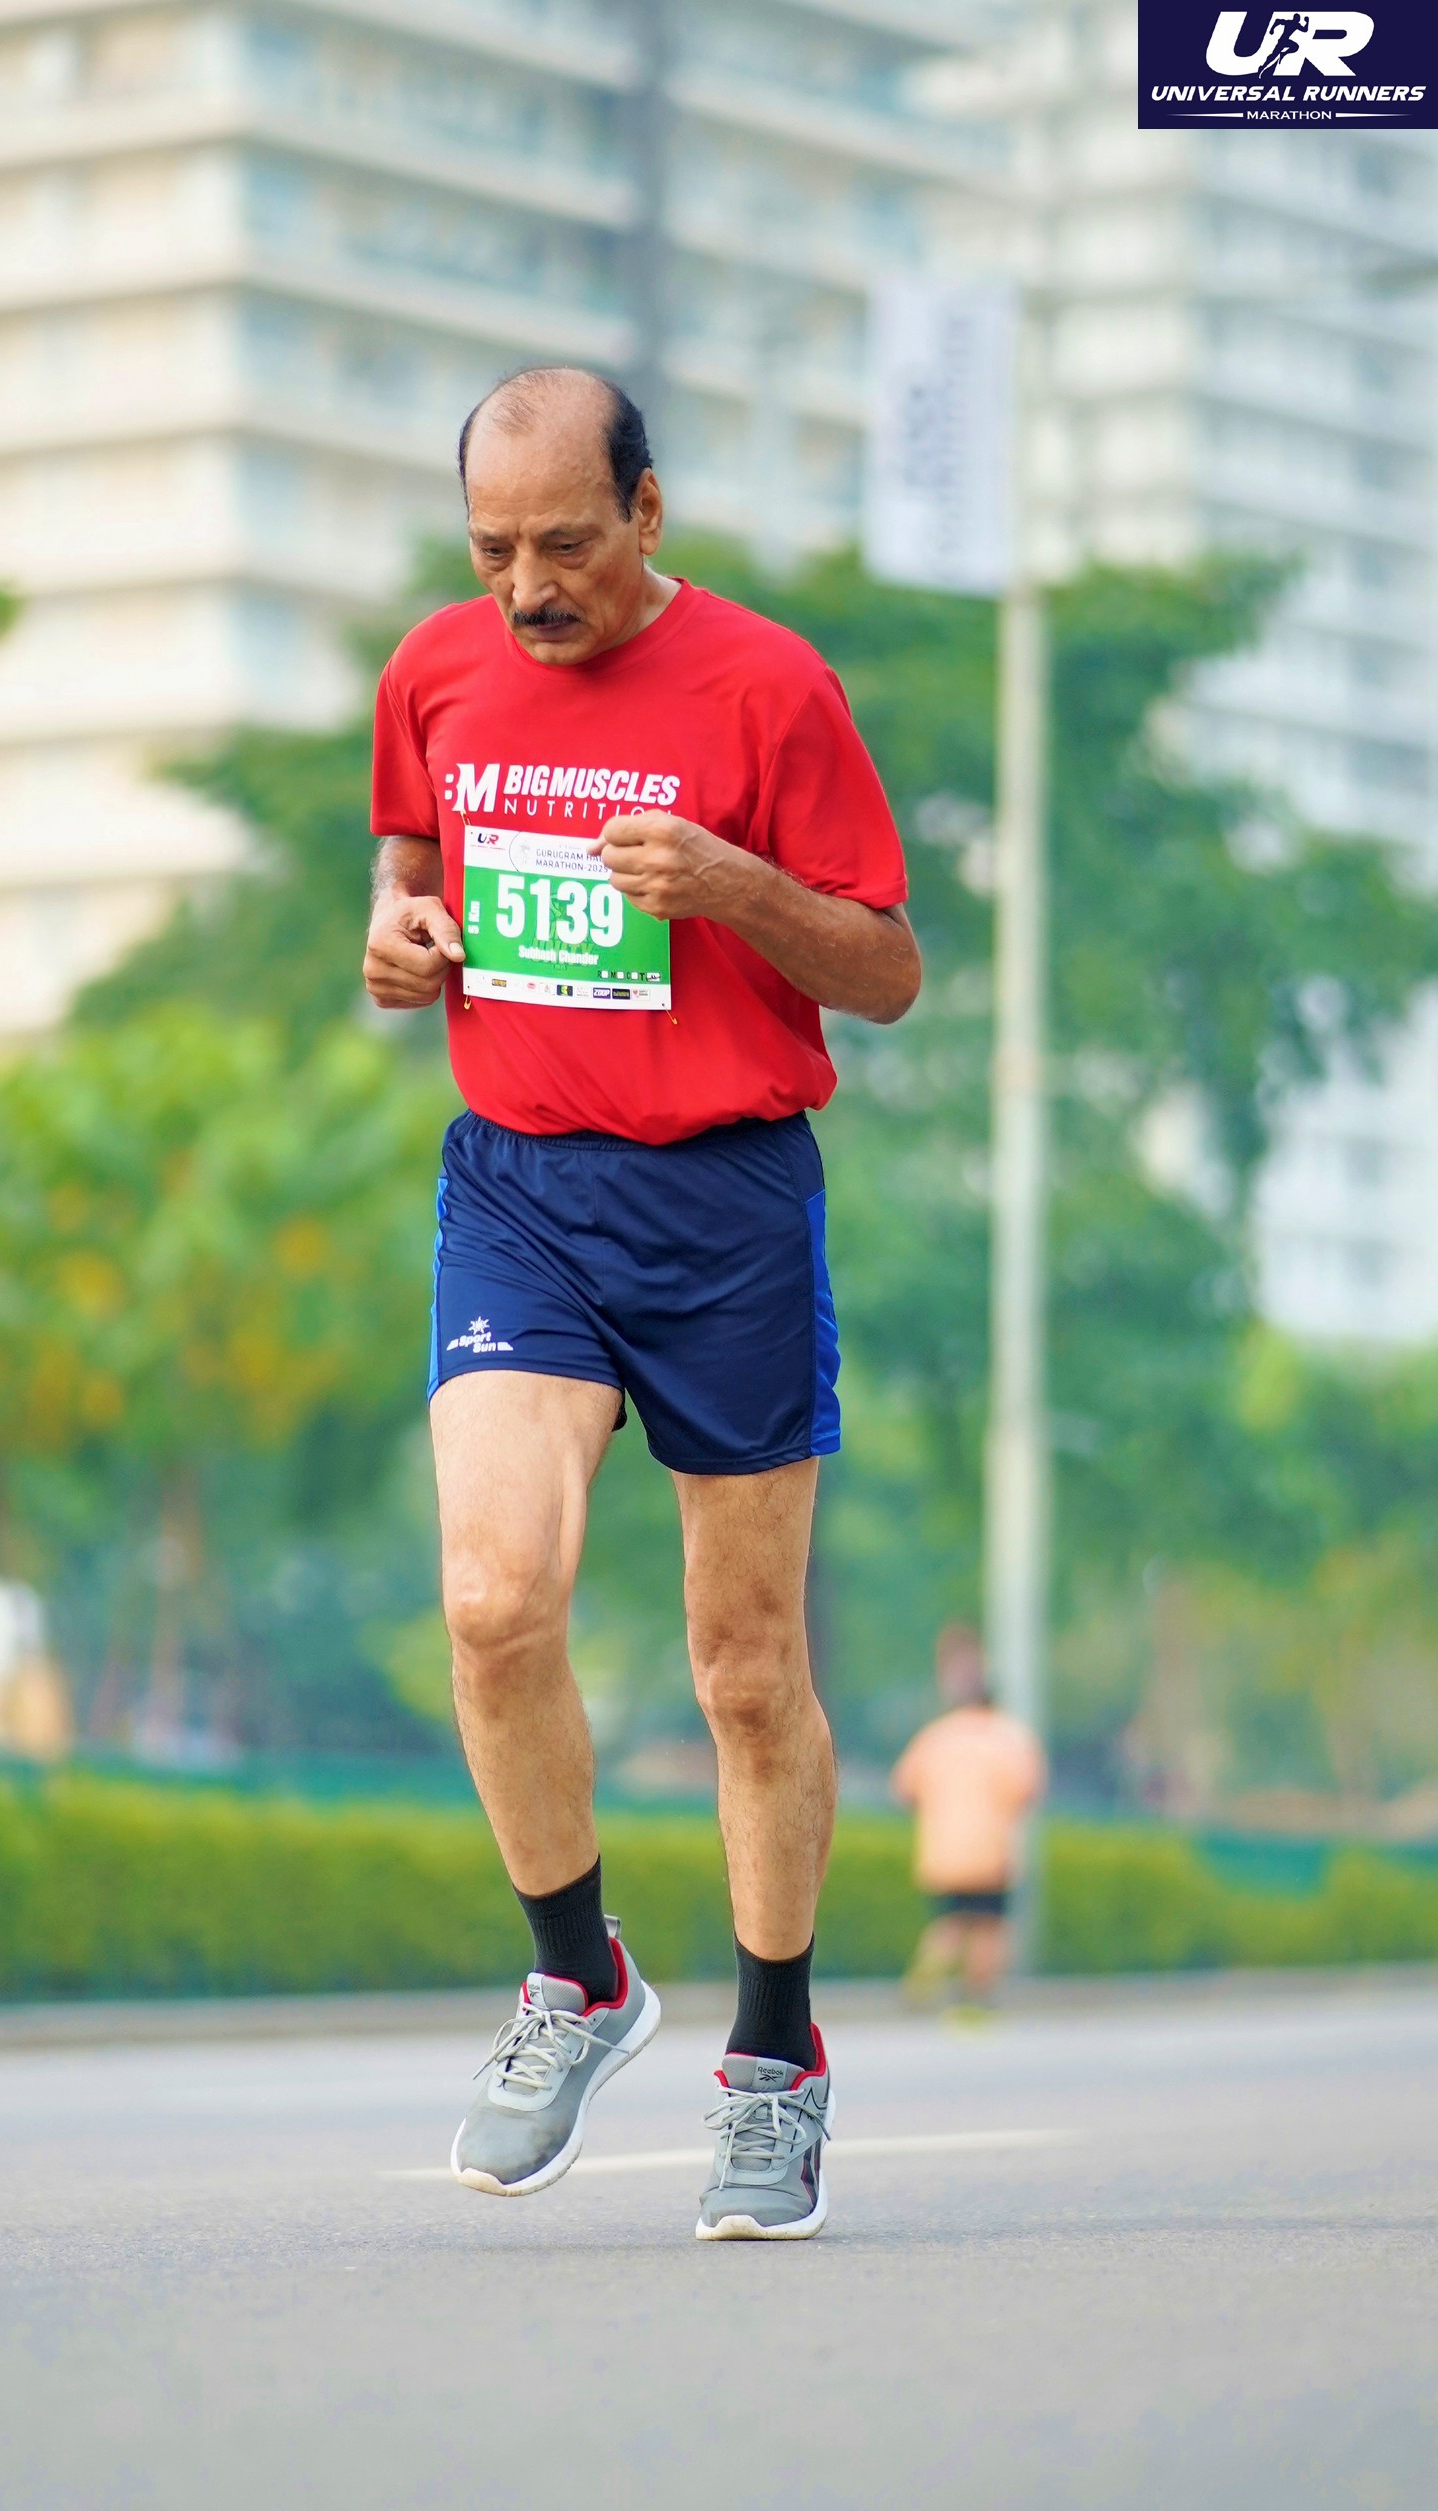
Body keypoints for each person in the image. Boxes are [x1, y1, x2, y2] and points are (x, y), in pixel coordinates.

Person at [363, 365, 919, 2240]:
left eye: (566, 546)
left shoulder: (772, 688)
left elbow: (888, 968)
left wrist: (737, 886)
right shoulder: (432, 670)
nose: (527, 588)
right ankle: (575, 1972)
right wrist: (397, 925)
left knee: (745, 1667)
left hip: (726, 1203)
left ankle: (773, 2060)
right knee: (491, 1596)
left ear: (651, 514)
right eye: (493, 549)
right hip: (521, 1188)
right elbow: (411, 848)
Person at [891, 1624, 1048, 2016]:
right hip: (990, 1851)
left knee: (949, 1923)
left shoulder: (936, 1737)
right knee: (988, 1928)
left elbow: (903, 1787)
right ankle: (975, 2001)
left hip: (943, 1851)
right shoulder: (1009, 1738)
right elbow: (1028, 1790)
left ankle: (924, 1979)